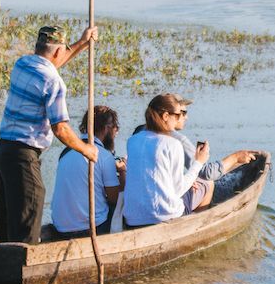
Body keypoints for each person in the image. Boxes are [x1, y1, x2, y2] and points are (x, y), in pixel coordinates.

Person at [0, 25, 98, 244]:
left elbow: (52, 64)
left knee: (10, 222)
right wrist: (87, 149)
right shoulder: (54, 82)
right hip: (22, 156)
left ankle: (2, 266)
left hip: (2, 151)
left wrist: (82, 43)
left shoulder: (23, 64)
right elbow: (61, 129)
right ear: (58, 51)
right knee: (27, 220)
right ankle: (22, 271)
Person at [122, 93, 213, 228]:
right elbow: (178, 190)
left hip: (132, 217)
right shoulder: (172, 144)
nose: (180, 119)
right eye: (177, 115)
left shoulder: (132, 141)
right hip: (164, 215)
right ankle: (195, 228)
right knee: (208, 184)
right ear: (165, 116)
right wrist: (198, 162)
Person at [51, 106, 125, 238]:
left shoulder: (65, 153)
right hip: (91, 228)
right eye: (115, 128)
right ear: (107, 128)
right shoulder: (103, 155)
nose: (116, 133)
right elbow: (114, 198)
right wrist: (123, 172)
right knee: (122, 204)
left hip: (61, 228)